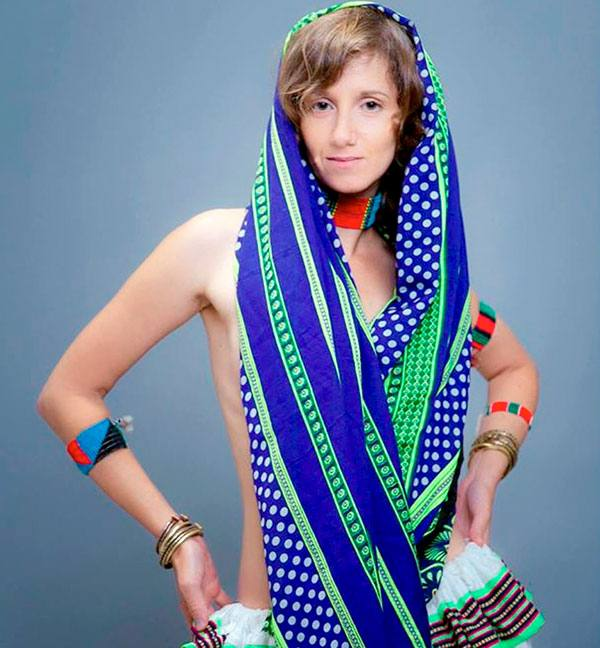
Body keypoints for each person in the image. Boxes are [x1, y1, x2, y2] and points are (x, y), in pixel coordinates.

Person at [36, 3, 545, 647]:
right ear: (293, 116)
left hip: (436, 618)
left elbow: (513, 370)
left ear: (405, 117)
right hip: (285, 624)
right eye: (321, 104)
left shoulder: (428, 281)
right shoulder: (223, 250)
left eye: (369, 104)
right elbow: (67, 395)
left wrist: (488, 463)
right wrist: (176, 537)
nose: (343, 133)